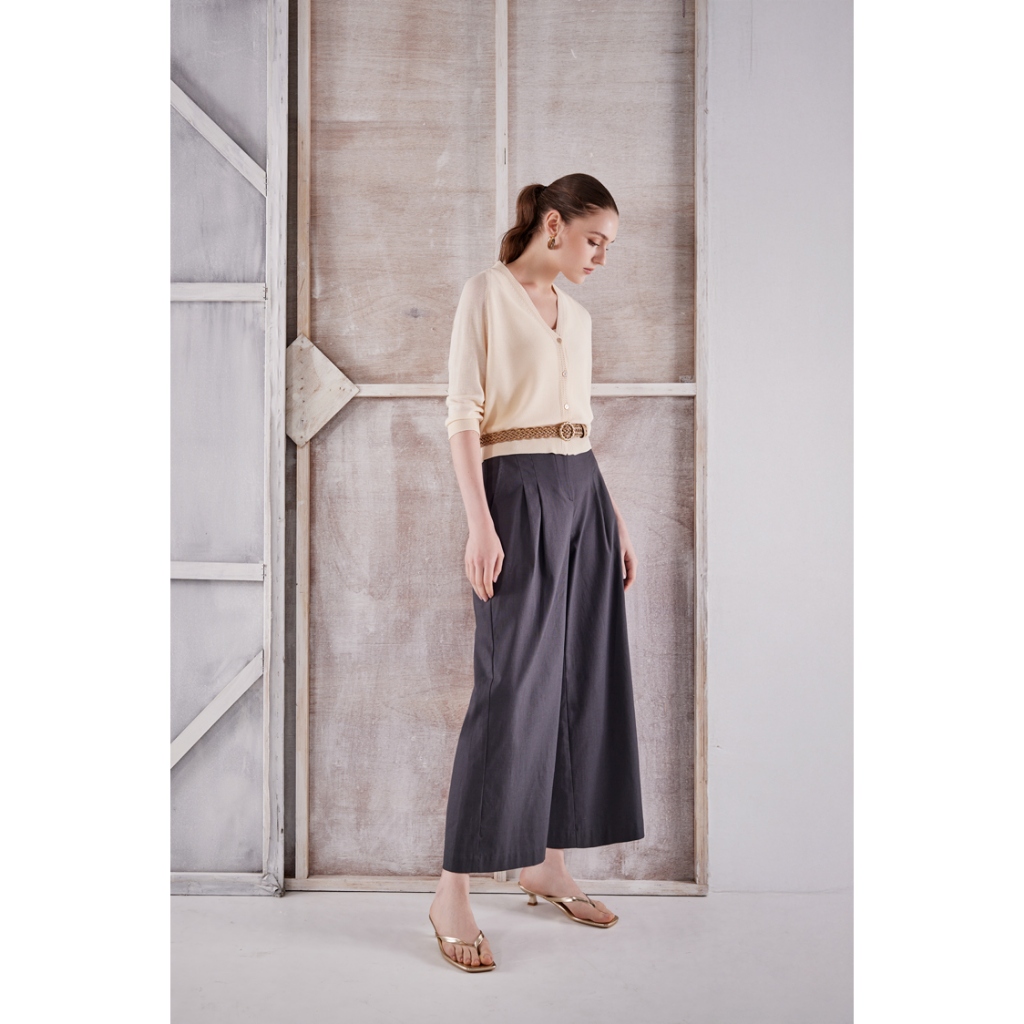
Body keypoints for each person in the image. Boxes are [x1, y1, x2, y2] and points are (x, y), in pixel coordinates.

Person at [428, 173, 645, 973]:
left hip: (581, 491)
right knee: (510, 686)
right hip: (514, 491)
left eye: (608, 246)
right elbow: (463, 414)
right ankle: (451, 892)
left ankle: (548, 864)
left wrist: (612, 515)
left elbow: (578, 426)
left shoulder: (577, 318)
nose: (601, 257)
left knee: (580, 677)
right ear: (553, 224)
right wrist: (480, 523)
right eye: (594, 240)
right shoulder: (485, 295)